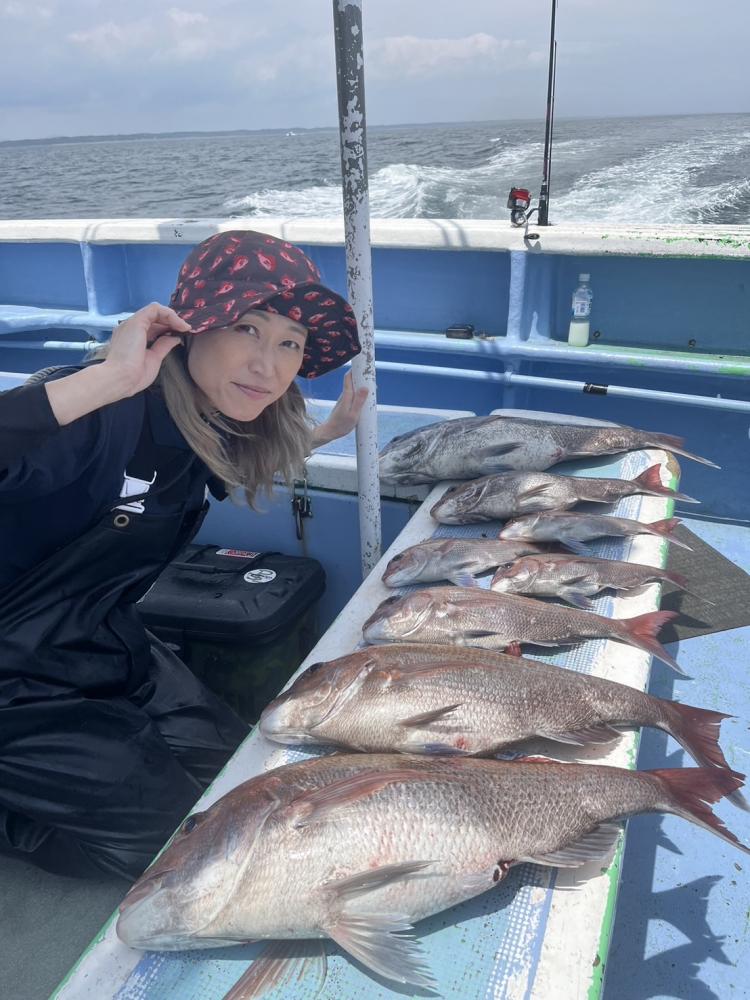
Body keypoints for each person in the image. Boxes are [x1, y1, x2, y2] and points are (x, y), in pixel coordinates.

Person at [0, 230, 367, 881]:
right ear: (191, 326)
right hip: (14, 678)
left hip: (100, 641)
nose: (268, 367)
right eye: (248, 329)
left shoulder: (204, 418)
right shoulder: (100, 411)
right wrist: (108, 378)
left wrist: (327, 433)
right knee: (181, 855)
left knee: (242, 782)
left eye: (290, 343)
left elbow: (233, 466)